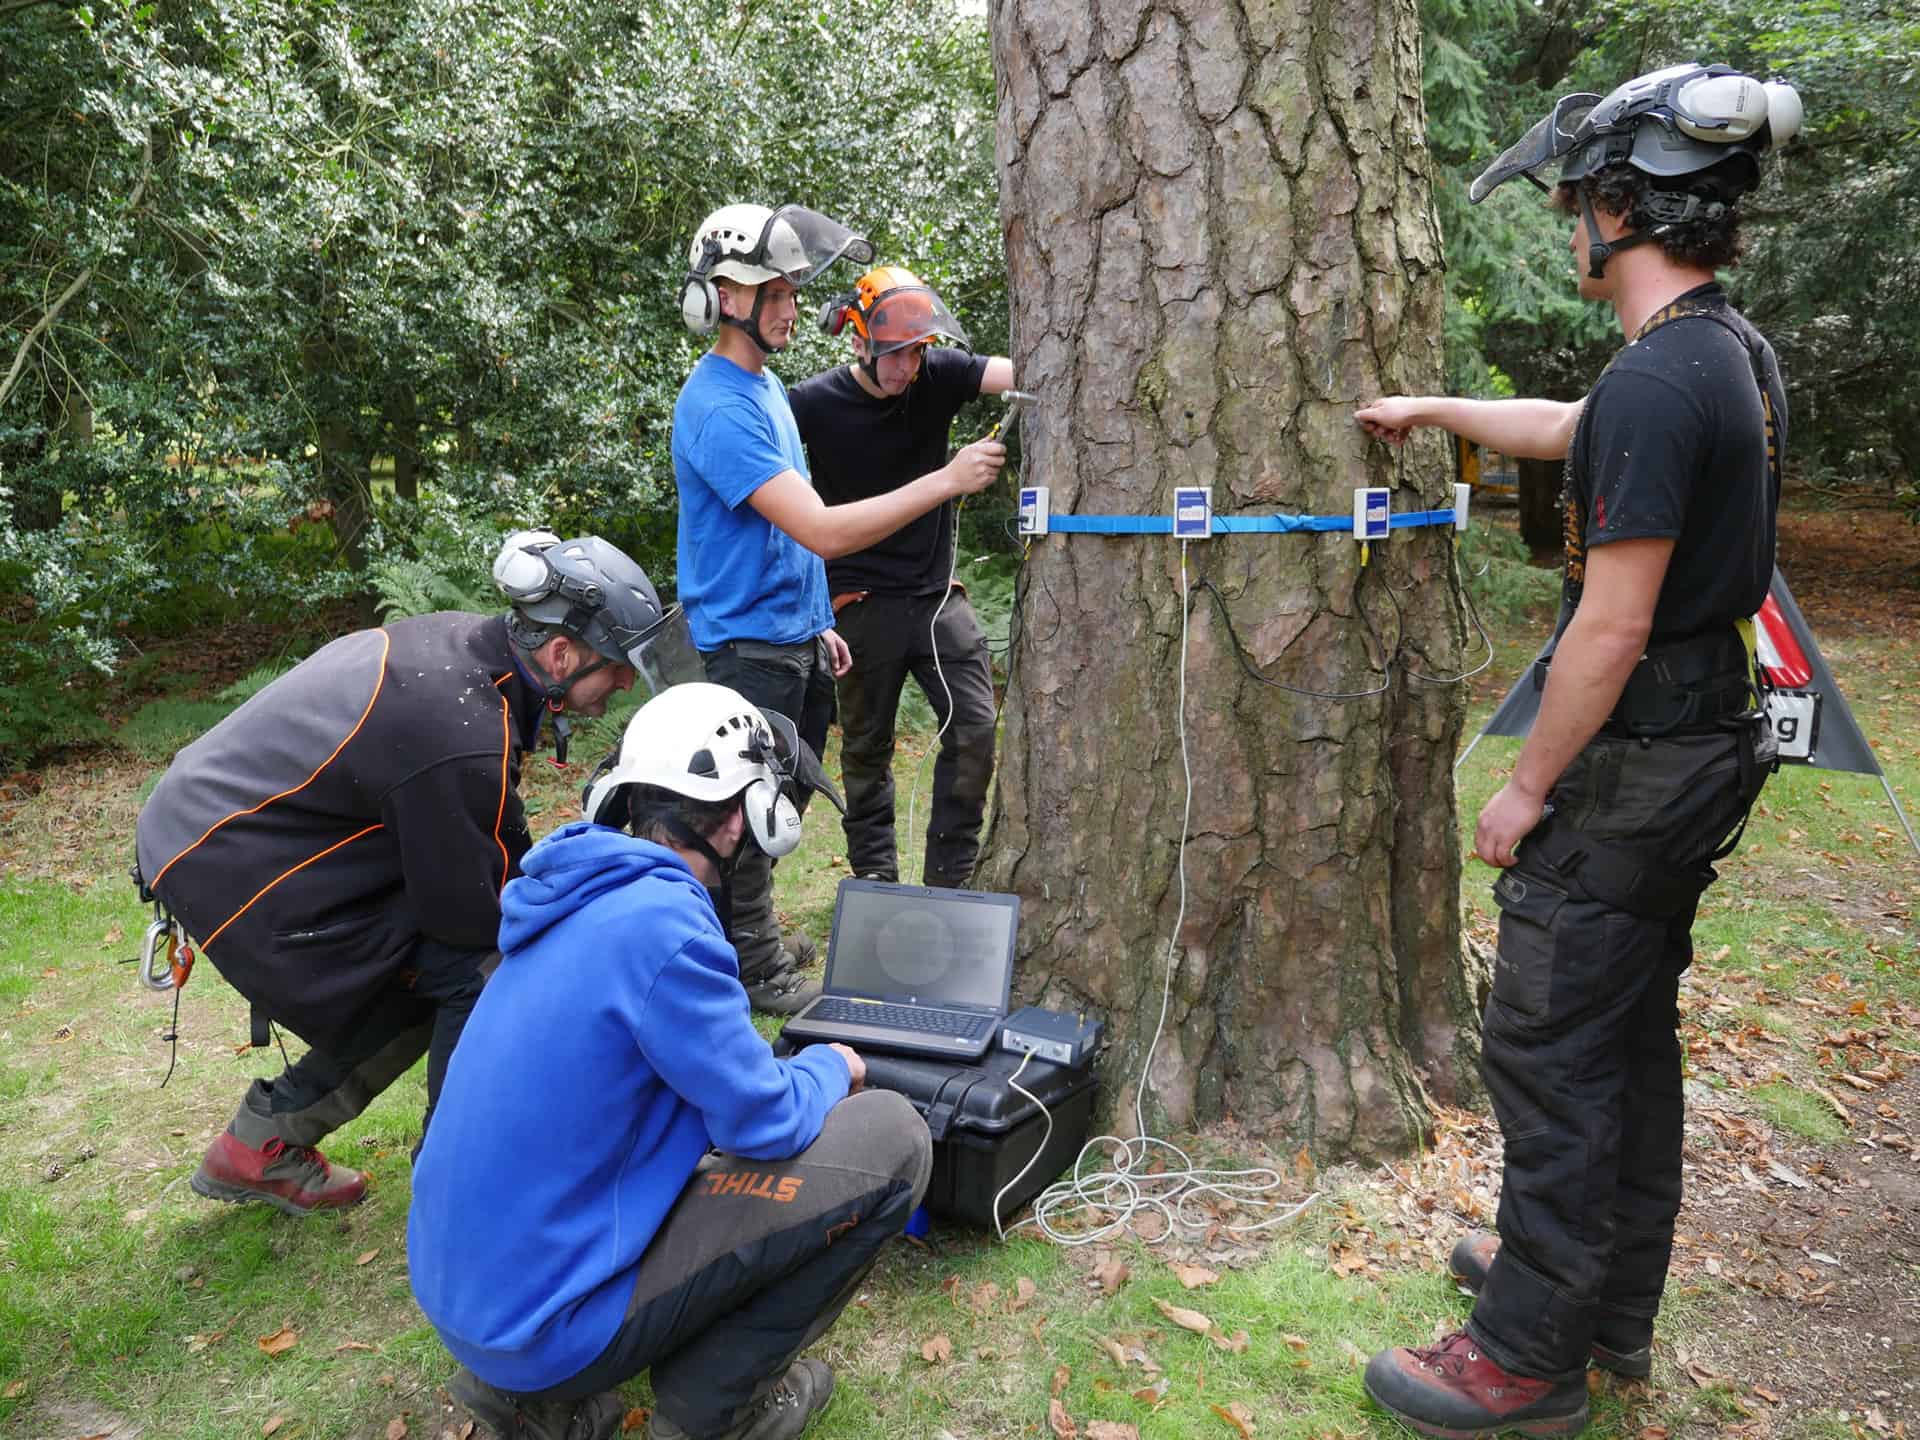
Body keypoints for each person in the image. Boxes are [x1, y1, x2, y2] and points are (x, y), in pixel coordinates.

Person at [1354, 64, 1800, 1437]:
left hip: (1636, 764)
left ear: (1626, 202)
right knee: (1624, 1037)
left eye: (1577, 204)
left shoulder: (1669, 380)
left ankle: (1527, 1350)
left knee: (1549, 1041)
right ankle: (1603, 1300)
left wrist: (1527, 784)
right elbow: (1574, 433)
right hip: (1694, 750)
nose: (1566, 227)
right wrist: (1433, 412)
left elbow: (1606, 628)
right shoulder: (1716, 349)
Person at [408, 682, 931, 1440]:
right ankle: (713, 1410)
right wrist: (833, 1069)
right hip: (541, 1329)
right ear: (733, 819)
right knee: (893, 1135)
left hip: (469, 1300)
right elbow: (766, 1121)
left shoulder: (574, 893)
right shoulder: (666, 927)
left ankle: (544, 1403)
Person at [132, 530, 699, 1216]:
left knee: (440, 962)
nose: (618, 686)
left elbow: (488, 834)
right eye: (613, 669)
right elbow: (471, 917)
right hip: (232, 861)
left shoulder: (471, 656)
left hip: (230, 831)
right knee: (483, 964)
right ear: (560, 654)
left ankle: (263, 1143)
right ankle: (459, 1178)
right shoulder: (457, 725)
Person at [670, 204, 1005, 1012]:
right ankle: (754, 970)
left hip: (794, 635)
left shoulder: (764, 390)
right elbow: (819, 528)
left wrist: (820, 617)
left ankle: (749, 938)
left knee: (776, 804)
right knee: (741, 814)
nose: (791, 308)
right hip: (748, 646)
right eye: (775, 293)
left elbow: (783, 533)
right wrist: (947, 480)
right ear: (723, 297)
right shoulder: (718, 407)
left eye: (791, 291)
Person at [789, 266, 1015, 888]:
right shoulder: (811, 404)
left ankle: (951, 879)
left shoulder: (935, 376)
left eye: (917, 353)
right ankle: (876, 887)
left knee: (973, 732)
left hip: (937, 596)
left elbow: (1027, 373)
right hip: (857, 599)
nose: (907, 369)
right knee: (865, 754)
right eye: (895, 355)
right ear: (857, 340)